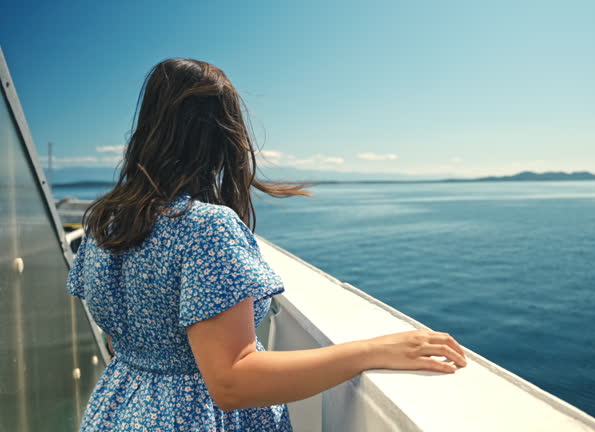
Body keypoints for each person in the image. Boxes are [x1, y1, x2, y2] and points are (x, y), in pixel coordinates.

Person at [66, 58, 466, 431]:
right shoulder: (204, 227)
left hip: (118, 407)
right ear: (223, 135)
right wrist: (372, 350)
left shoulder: (107, 220)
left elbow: (118, 337)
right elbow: (231, 382)